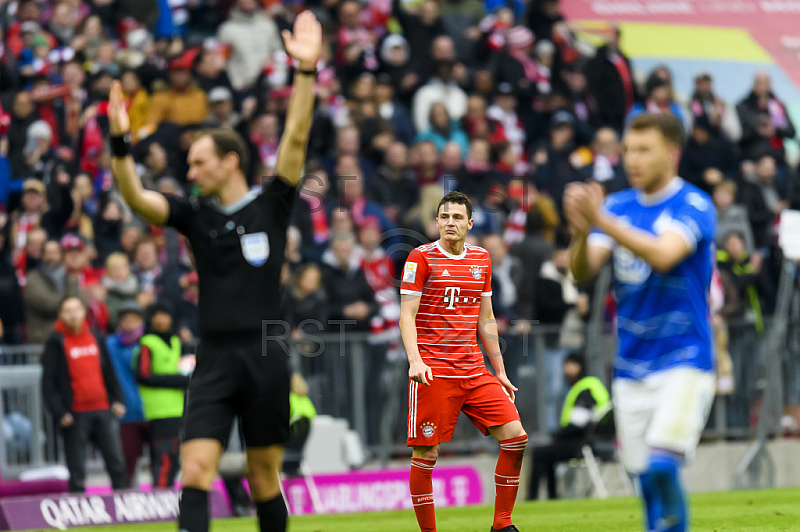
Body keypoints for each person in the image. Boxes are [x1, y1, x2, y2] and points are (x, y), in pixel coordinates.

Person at [107, 11, 321, 532]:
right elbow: (135, 197)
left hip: (266, 355)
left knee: (264, 478)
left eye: (200, 163)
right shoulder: (192, 215)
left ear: (230, 161)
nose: (191, 172)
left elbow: (294, 137)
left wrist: (306, 72)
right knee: (195, 470)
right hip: (214, 360)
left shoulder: (270, 205)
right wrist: (120, 145)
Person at [564, 113, 717, 532]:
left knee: (662, 466)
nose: (631, 159)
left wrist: (601, 221)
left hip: (683, 359)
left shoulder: (694, 204)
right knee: (645, 482)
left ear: (672, 153)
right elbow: (583, 270)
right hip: (630, 366)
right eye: (628, 149)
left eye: (643, 150)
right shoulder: (616, 206)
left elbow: (665, 254)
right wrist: (581, 233)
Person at [399, 191, 527, 532]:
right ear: (436, 221)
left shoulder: (482, 260)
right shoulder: (420, 258)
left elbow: (486, 318)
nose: (450, 223)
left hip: (473, 369)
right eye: (444, 217)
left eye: (457, 217)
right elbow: (406, 315)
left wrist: (499, 370)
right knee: (427, 455)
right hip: (433, 372)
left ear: (470, 224)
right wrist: (415, 360)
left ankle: (502, 525)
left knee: (516, 436)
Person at [41, 296, 128, 492]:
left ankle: (123, 507)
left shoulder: (96, 337)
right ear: (60, 315)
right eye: (67, 311)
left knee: (116, 462)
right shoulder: (56, 342)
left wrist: (117, 399)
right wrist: (59, 412)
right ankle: (78, 512)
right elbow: (48, 382)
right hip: (75, 414)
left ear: (83, 312)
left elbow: (109, 373)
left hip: (102, 409)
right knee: (77, 468)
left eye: (76, 310)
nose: (73, 315)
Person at [528, 353, 609, 500]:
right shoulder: (591, 385)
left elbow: (579, 423)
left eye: (569, 365)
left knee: (539, 453)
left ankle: (532, 498)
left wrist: (557, 435)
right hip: (593, 440)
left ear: (579, 366)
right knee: (547, 454)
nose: (565, 369)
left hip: (582, 443)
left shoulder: (585, 388)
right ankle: (552, 497)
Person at [133, 300, 189, 489]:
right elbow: (144, 374)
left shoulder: (175, 341)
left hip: (177, 407)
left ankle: (168, 493)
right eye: (157, 315)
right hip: (157, 409)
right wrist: (179, 380)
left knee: (174, 456)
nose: (161, 319)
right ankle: (161, 495)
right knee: (164, 455)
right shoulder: (147, 342)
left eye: (164, 315)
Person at [105, 301, 147, 485]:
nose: (130, 323)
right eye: (126, 319)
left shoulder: (149, 343)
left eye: (134, 319)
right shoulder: (110, 345)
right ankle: (126, 499)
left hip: (152, 409)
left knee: (160, 461)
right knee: (127, 461)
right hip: (126, 411)